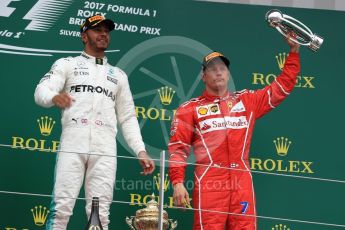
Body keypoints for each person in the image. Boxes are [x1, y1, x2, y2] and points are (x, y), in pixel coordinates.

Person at [34, 15, 155, 229]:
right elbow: (41, 91)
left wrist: (140, 150)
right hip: (74, 142)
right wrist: (53, 97)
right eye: (96, 30)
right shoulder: (67, 64)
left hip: (105, 148)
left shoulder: (119, 75)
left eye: (106, 31)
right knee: (61, 208)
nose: (103, 34)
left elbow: (127, 117)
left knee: (99, 214)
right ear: (83, 36)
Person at [168, 33, 300, 230]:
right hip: (210, 181)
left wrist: (294, 52)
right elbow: (178, 149)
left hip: (241, 181)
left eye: (222, 68)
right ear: (203, 76)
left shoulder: (247, 101)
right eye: (212, 69)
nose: (218, 72)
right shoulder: (189, 108)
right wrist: (178, 182)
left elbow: (282, 87)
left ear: (228, 75)